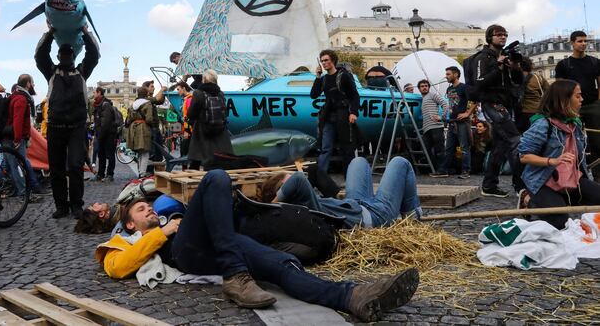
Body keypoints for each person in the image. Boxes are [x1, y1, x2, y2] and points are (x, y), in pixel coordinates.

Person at [95, 171, 419, 322]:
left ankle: (352, 297)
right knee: (215, 177)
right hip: (184, 252)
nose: (149, 210)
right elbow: (116, 268)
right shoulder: (124, 239)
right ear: (129, 224)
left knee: (280, 264)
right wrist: (163, 232)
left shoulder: (170, 214)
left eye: (148, 207)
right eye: (141, 210)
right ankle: (236, 275)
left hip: (220, 248)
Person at [35, 25, 99, 219]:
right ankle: (61, 206)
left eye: (68, 54)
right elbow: (40, 55)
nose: (65, 57)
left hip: (76, 128)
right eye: (62, 54)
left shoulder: (82, 71)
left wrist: (85, 32)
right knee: (56, 169)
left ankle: (76, 205)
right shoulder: (51, 72)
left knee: (75, 166)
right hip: (55, 127)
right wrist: (50, 33)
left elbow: (93, 55)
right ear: (58, 56)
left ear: (73, 56)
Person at [518, 79, 600, 229]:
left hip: (572, 177)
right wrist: (553, 161)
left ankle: (561, 198)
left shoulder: (575, 123)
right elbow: (524, 156)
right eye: (577, 96)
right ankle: (529, 199)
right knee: (560, 222)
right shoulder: (543, 124)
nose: (582, 99)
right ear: (564, 100)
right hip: (544, 181)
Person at [260, 156, 422, 228]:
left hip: (356, 205)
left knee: (357, 162)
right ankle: (412, 220)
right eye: (286, 180)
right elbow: (298, 178)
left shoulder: (302, 202)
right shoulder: (297, 205)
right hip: (376, 216)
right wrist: (272, 206)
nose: (292, 175)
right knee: (401, 162)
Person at [474, 25, 523, 198]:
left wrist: (515, 66)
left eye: (505, 34)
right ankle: (521, 186)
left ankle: (489, 185)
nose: (503, 37)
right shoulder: (483, 57)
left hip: (506, 104)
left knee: (500, 146)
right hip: (492, 104)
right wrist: (498, 67)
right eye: (499, 34)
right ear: (489, 37)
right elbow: (480, 81)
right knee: (515, 140)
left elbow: (518, 81)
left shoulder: (505, 56)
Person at [310, 50, 360, 175]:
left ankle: (349, 176)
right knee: (325, 147)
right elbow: (313, 94)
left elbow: (354, 95)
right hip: (328, 117)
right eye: (322, 61)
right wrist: (318, 77)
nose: (324, 63)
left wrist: (353, 112)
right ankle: (320, 177)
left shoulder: (344, 76)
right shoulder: (324, 79)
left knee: (346, 147)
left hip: (343, 115)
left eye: (326, 60)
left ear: (333, 60)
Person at [555, 30, 600, 156]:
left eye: (585, 41)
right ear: (572, 43)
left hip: (592, 104)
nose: (584, 43)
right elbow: (559, 89)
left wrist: (598, 102)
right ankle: (577, 167)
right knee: (573, 140)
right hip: (572, 107)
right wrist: (565, 106)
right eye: (580, 41)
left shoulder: (595, 62)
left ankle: (596, 167)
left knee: (597, 140)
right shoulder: (563, 64)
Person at [186, 69, 234, 169]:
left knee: (196, 164)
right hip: (220, 133)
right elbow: (224, 113)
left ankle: (196, 176)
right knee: (219, 162)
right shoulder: (220, 94)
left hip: (202, 133)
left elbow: (191, 114)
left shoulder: (198, 93)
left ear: (203, 79)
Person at [5, 74, 42, 197]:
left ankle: (21, 190)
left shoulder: (15, 96)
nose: (34, 85)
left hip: (9, 136)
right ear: (28, 84)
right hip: (14, 137)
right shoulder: (21, 99)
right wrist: (17, 139)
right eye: (32, 82)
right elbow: (18, 120)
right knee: (18, 165)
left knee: (11, 165)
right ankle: (24, 193)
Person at [432, 67, 472, 178]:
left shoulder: (464, 87)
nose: (446, 76)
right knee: (449, 148)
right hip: (452, 122)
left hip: (462, 122)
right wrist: (444, 118)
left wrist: (467, 113)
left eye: (448, 74)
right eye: (446, 74)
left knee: (464, 147)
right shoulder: (449, 89)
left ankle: (466, 171)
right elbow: (450, 104)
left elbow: (475, 100)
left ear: (456, 74)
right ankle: (443, 170)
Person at [418, 79, 449, 168]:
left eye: (426, 86)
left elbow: (445, 104)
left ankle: (442, 170)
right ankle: (436, 169)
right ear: (419, 89)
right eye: (422, 86)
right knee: (426, 150)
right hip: (427, 128)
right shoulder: (423, 99)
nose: (424, 88)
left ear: (429, 87)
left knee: (439, 150)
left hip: (436, 127)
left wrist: (442, 117)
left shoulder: (432, 95)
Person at [515, 57, 549, 133]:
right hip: (538, 111)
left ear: (519, 66)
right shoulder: (538, 77)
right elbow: (549, 91)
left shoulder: (515, 78)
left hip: (523, 113)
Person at [127, 86, 155, 176]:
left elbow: (128, 120)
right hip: (143, 128)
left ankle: (140, 172)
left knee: (139, 152)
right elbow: (149, 119)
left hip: (133, 129)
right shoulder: (147, 103)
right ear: (146, 94)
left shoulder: (132, 105)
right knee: (145, 152)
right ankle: (142, 173)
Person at [93, 87, 118, 182]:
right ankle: (100, 174)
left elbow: (105, 123)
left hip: (109, 135)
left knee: (110, 155)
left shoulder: (105, 104)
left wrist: (100, 135)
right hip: (101, 135)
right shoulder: (98, 104)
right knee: (101, 155)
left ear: (99, 93)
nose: (93, 94)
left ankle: (110, 175)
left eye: (95, 92)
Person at [174, 81, 194, 165]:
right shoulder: (184, 100)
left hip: (189, 132)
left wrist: (187, 131)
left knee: (186, 154)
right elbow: (179, 117)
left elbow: (190, 116)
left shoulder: (190, 99)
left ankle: (187, 170)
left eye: (178, 89)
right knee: (184, 153)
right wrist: (176, 131)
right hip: (185, 130)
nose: (177, 91)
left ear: (184, 88)